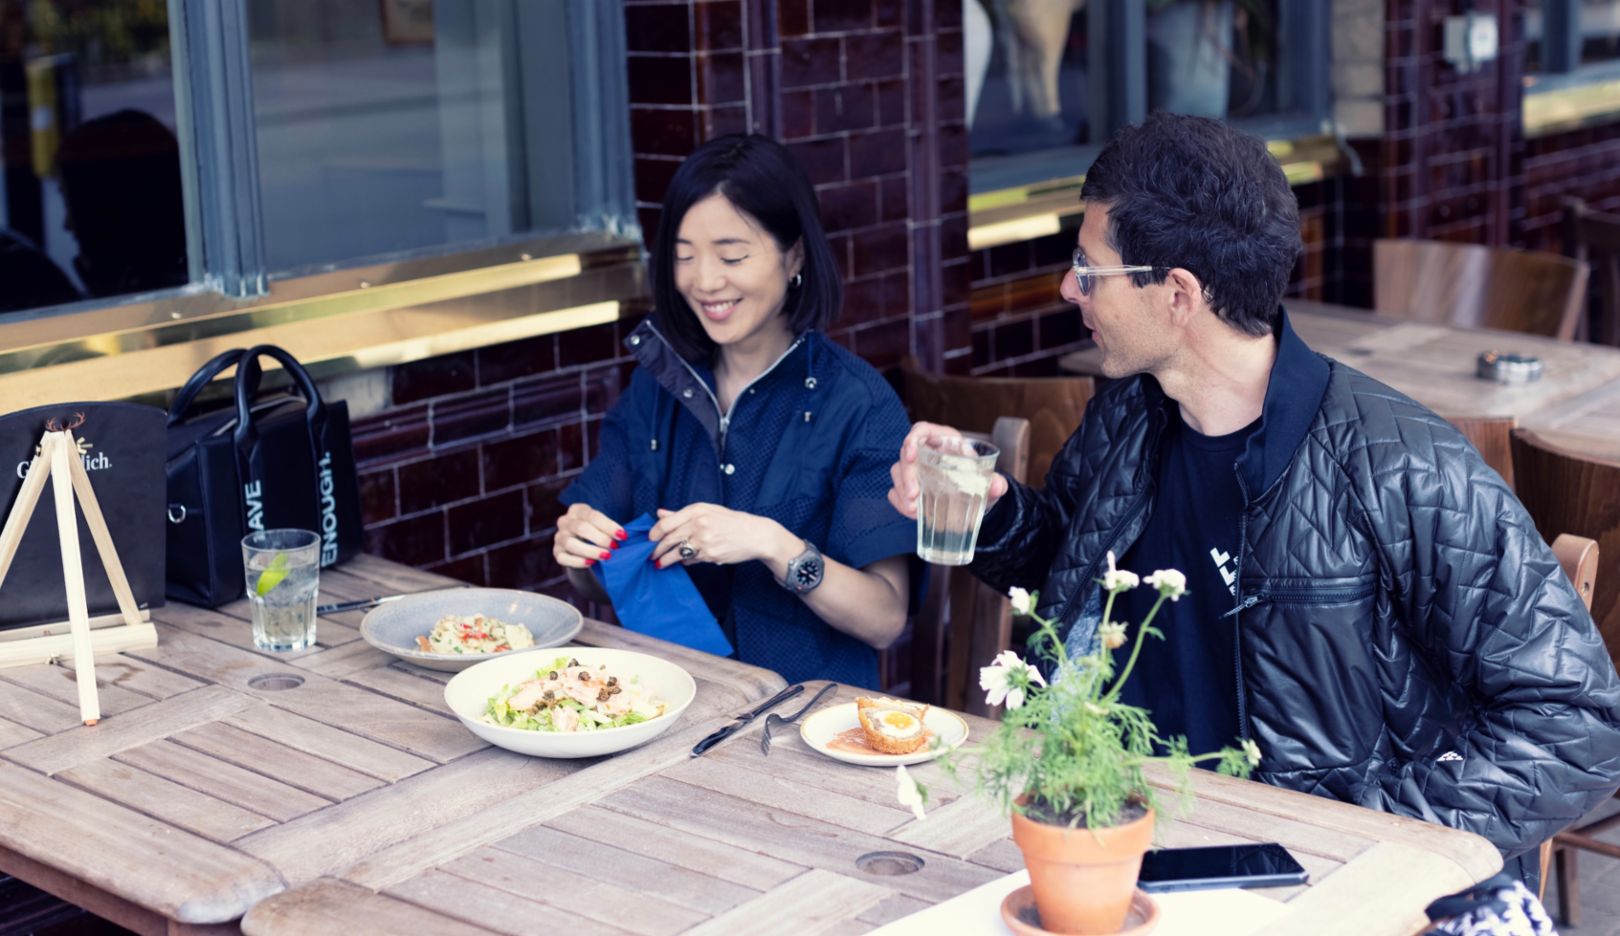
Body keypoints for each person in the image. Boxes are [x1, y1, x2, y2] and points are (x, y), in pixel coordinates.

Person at [886, 112, 1620, 887]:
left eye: (1087, 268)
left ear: (1178, 294)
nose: (1070, 289)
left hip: (1301, 891)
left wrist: (1366, 838)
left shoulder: (1403, 466)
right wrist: (994, 515)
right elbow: (1072, 575)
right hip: (1113, 842)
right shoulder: (1128, 417)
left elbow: (1580, 725)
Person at [555, 134, 917, 688]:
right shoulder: (655, 386)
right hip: (666, 708)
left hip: (804, 726)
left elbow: (885, 619)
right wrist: (579, 553)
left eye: (731, 256)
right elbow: (600, 580)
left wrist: (773, 545)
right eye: (684, 256)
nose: (704, 280)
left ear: (793, 253)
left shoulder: (857, 404)